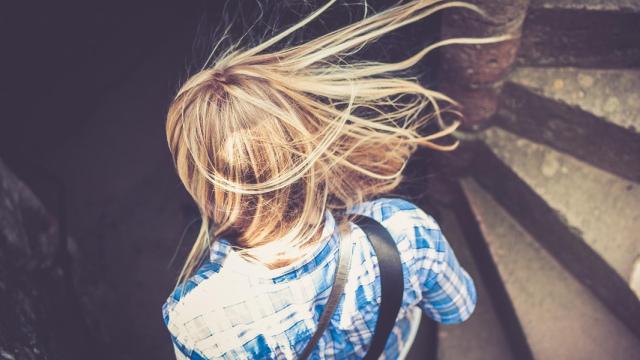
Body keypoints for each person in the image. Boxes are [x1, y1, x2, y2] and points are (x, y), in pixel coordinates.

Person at [162, 0, 495, 358]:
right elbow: (458, 307)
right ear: (312, 152)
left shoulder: (196, 317)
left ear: (207, 191)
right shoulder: (405, 233)